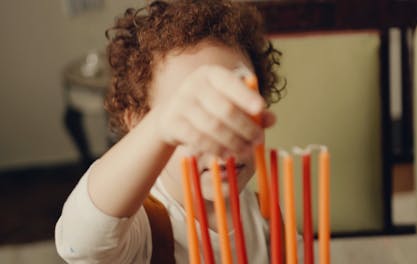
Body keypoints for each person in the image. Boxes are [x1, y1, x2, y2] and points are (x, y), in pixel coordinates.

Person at [55, 0, 289, 263]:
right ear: (139, 124)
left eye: (237, 110)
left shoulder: (264, 214)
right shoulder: (145, 224)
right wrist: (160, 125)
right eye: (192, 117)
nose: (221, 139)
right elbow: (80, 245)